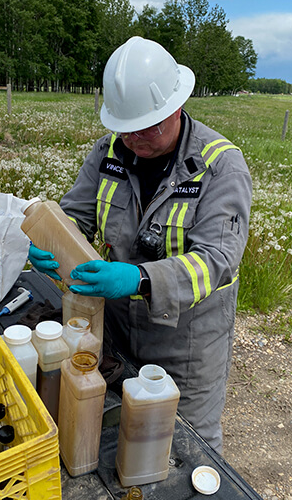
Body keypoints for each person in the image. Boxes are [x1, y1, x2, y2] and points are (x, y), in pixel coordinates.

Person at [28, 36, 252, 453]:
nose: (135, 140)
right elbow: (75, 216)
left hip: (185, 343)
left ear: (176, 107)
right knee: (113, 428)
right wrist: (50, 242)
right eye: (125, 129)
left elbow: (217, 261)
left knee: (186, 445)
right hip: (113, 329)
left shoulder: (220, 166)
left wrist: (140, 278)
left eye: (148, 128)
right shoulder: (108, 152)